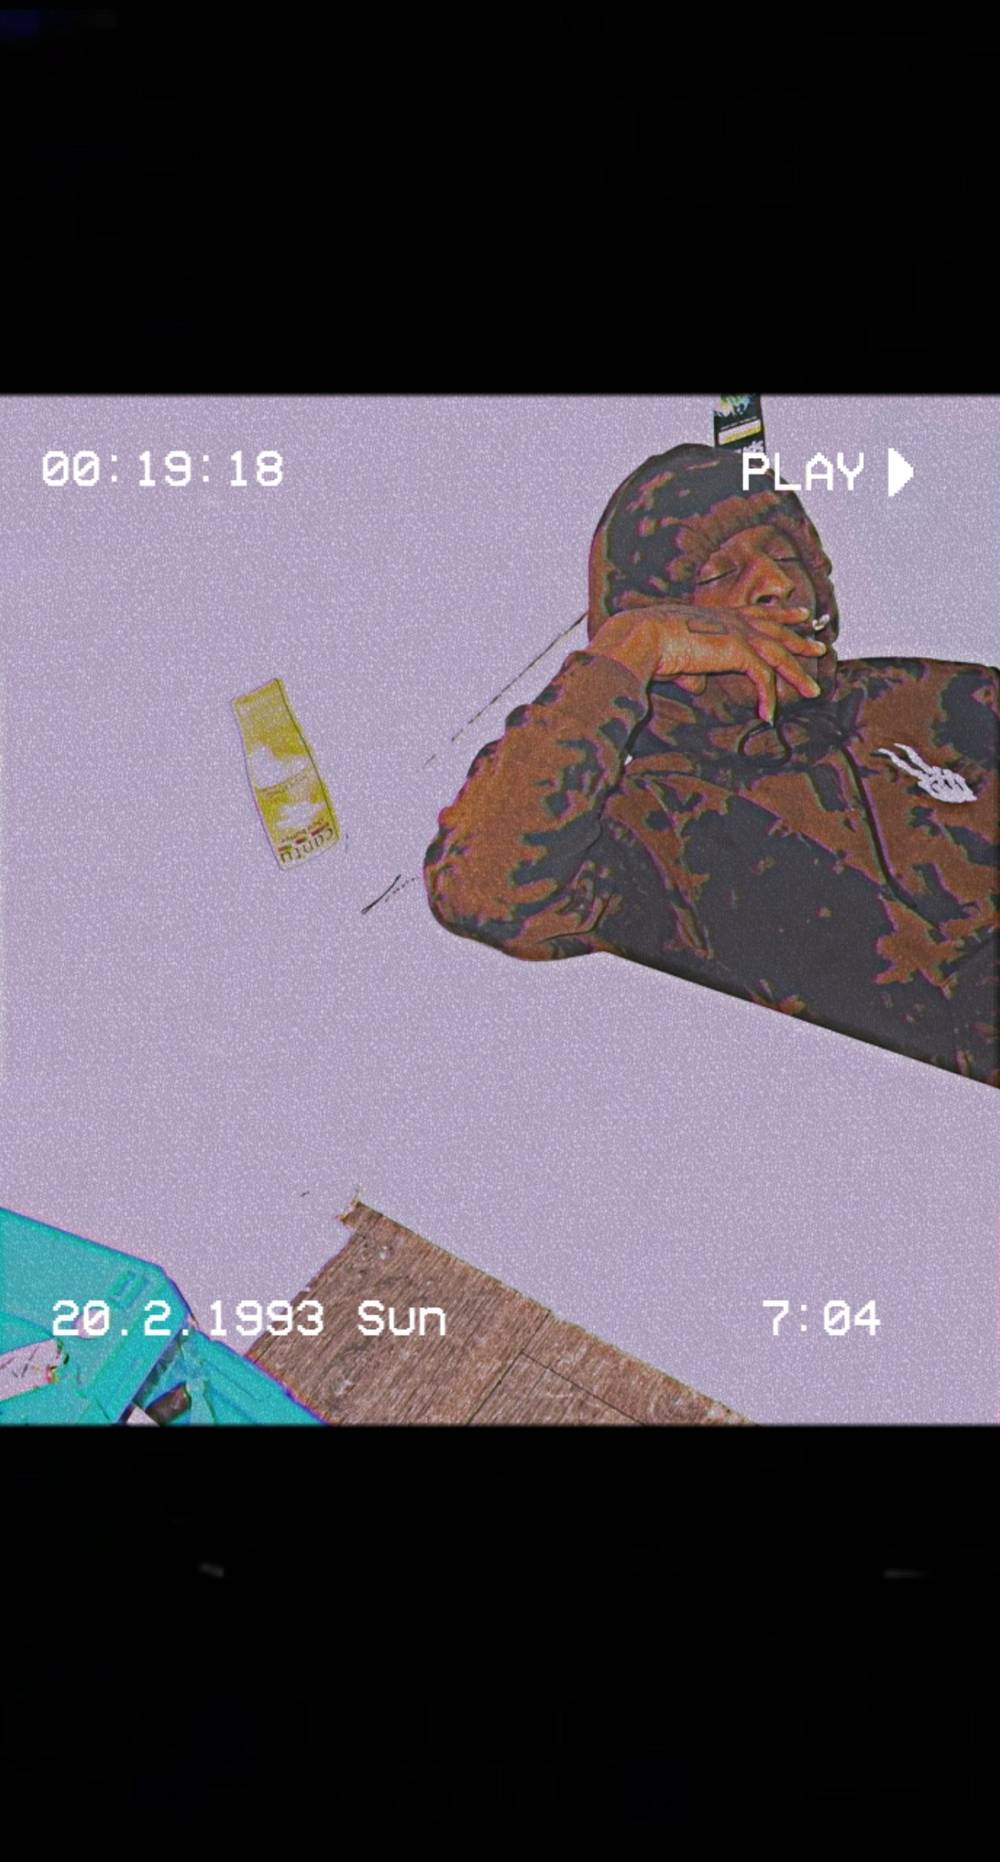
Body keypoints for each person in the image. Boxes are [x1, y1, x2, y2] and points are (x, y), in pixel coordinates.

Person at [423, 444, 999, 1088]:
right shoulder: (652, 824)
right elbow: (482, 892)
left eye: (787, 558)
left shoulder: (932, 699)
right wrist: (629, 649)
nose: (777, 582)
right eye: (722, 573)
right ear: (674, 620)